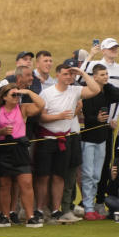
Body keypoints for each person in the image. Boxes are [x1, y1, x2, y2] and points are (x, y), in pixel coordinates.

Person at [35, 64, 100, 224]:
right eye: (65, 74)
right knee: (44, 177)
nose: (69, 77)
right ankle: (40, 209)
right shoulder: (47, 93)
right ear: (57, 75)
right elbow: (41, 118)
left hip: (65, 139)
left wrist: (82, 73)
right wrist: (59, 116)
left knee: (59, 176)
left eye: (71, 75)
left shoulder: (75, 90)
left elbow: (95, 89)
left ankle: (57, 210)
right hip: (47, 140)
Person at [0, 84, 45, 227]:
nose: (17, 98)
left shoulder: (22, 108)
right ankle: (4, 215)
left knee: (26, 182)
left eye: (18, 95)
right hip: (3, 148)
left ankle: (30, 216)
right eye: (13, 95)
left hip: (20, 148)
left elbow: (41, 104)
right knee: (4, 184)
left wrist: (27, 91)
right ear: (4, 97)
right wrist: (1, 132)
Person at [79, 63, 119, 219]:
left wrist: (107, 84)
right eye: (103, 75)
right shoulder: (86, 91)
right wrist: (96, 119)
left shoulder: (107, 91)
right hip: (88, 137)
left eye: (107, 74)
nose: (106, 77)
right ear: (94, 76)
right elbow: (84, 115)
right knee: (88, 174)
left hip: (102, 138)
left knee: (97, 175)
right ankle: (88, 208)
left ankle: (91, 206)